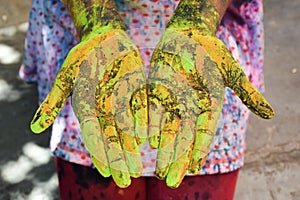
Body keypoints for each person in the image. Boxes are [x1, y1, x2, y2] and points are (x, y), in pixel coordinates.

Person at [20, 0, 274, 199]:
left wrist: (198, 17)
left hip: (202, 58)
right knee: (101, 156)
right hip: (94, 60)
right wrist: (95, 20)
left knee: (193, 160)